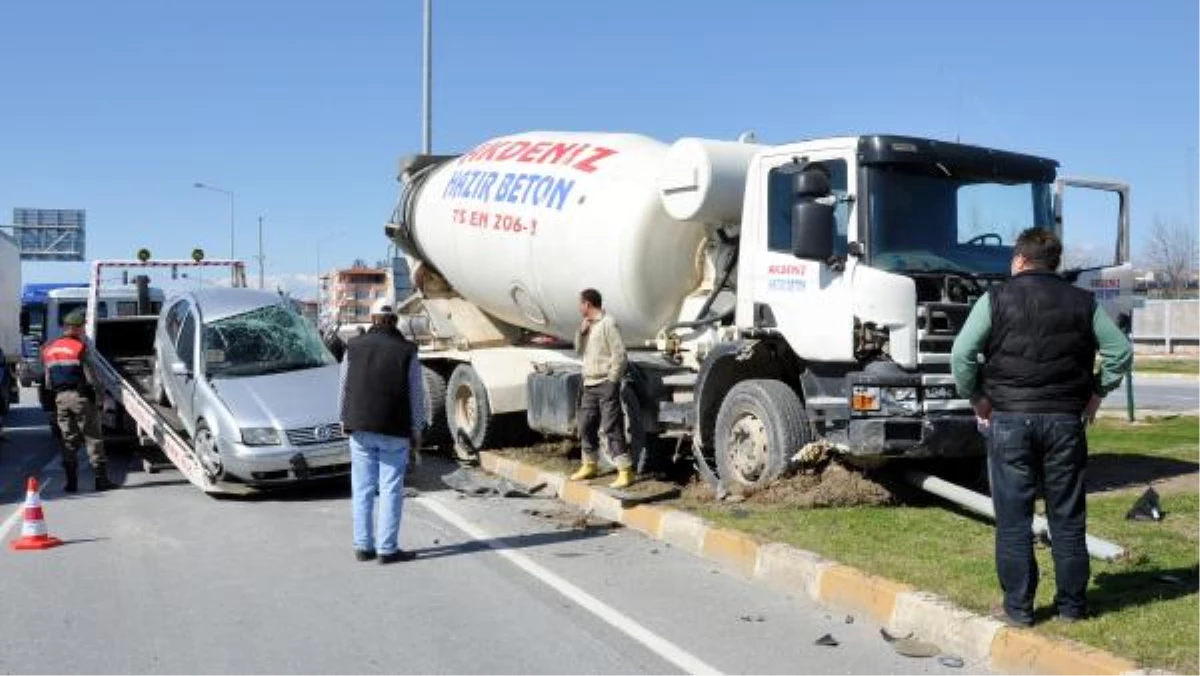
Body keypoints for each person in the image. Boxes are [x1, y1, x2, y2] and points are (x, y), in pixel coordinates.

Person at [950, 227, 1132, 627]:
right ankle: (1072, 607)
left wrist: (978, 397)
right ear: (1054, 263)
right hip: (1066, 421)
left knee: (1013, 520)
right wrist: (1098, 392)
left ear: (1018, 260)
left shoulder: (994, 298)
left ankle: (1019, 609)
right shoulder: (1083, 302)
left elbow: (962, 354)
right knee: (1067, 516)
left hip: (1010, 420)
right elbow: (1120, 351)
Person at [339, 298, 426, 564]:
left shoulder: (353, 347)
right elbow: (416, 394)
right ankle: (387, 549)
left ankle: (363, 546)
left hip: (360, 425)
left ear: (372, 318)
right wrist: (417, 429)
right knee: (390, 488)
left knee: (363, 487)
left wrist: (342, 419)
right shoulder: (407, 350)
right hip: (394, 428)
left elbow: (343, 386)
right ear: (396, 320)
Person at [41, 309, 114, 492]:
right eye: (81, 327)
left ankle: (71, 483)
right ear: (75, 328)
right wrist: (101, 397)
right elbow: (92, 376)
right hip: (81, 397)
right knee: (93, 437)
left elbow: (48, 380)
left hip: (60, 398)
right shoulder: (79, 347)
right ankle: (101, 481)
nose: (83, 331)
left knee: (68, 439)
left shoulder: (49, 348)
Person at [568, 288, 635, 489]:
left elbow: (619, 354)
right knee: (586, 424)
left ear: (587, 304)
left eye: (580, 303)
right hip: (589, 383)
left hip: (605, 382)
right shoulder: (588, 325)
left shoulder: (608, 323)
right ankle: (589, 465)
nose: (579, 307)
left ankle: (625, 471)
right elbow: (578, 350)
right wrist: (581, 332)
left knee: (611, 427)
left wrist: (612, 380)